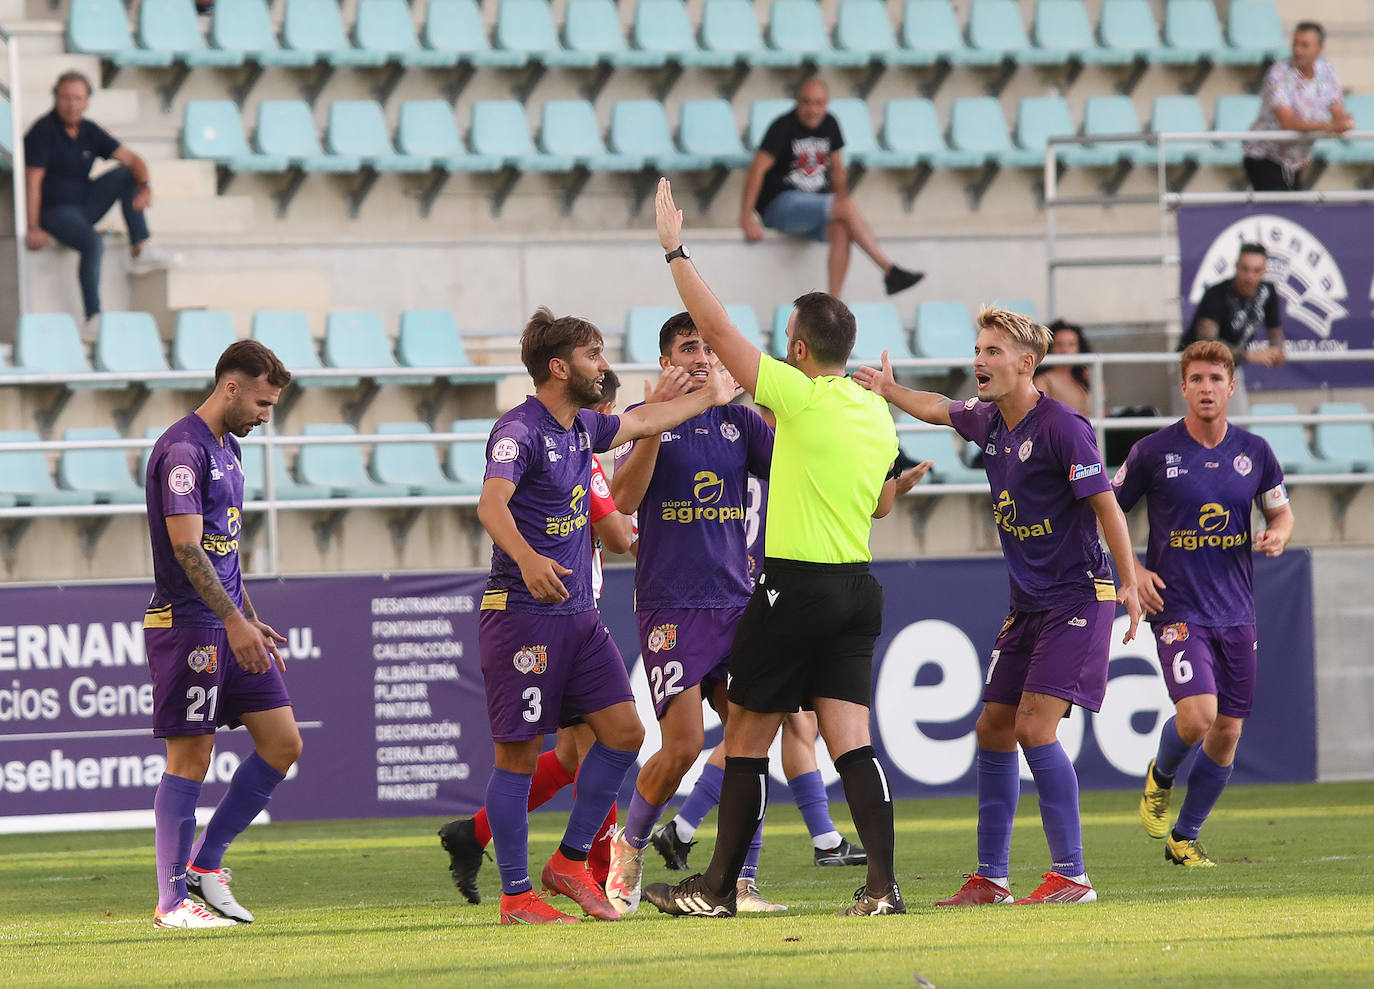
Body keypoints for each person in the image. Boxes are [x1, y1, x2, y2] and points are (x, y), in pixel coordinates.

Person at [644, 179, 905, 919]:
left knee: (749, 739)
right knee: (852, 739)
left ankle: (716, 889)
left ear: (797, 349)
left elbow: (717, 328)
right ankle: (882, 888)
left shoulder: (797, 394)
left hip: (794, 588)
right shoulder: (875, 412)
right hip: (859, 589)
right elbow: (884, 500)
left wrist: (675, 248)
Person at [853, 306, 1142, 907]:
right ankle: (992, 877)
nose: (978, 361)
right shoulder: (989, 422)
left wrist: (1131, 581)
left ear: (1025, 363)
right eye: (978, 349)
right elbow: (938, 407)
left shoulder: (1064, 426)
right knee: (992, 728)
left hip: (1078, 597)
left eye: (991, 352)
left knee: (1034, 728)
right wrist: (888, 390)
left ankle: (1073, 877)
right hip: (1030, 604)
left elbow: (1107, 508)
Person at [474, 306, 738, 924]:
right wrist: (528, 558)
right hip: (522, 612)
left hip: (580, 616)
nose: (605, 366)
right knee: (516, 757)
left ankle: (568, 862)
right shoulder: (519, 431)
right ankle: (516, 898)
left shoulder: (581, 430)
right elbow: (491, 505)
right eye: (594, 356)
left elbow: (648, 419)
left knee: (625, 734)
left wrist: (706, 398)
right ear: (559, 367)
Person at [601, 312, 782, 915]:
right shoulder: (643, 419)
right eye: (688, 348)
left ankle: (740, 881)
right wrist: (654, 423)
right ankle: (628, 850)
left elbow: (792, 469)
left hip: (737, 602)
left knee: (750, 742)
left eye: (708, 347)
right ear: (665, 362)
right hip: (671, 606)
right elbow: (620, 504)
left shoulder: (739, 420)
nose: (702, 357)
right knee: (680, 747)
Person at [437, 370, 635, 905]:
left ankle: (496, 839)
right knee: (555, 753)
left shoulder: (579, 440)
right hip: (538, 611)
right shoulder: (568, 451)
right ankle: (570, 874)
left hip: (579, 614)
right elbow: (619, 534)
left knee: (593, 747)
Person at [1113, 341, 1293, 867]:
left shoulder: (1255, 453)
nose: (1207, 388)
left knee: (1228, 731)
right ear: (1184, 387)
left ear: (1231, 386)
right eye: (1197, 379)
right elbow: (1107, 512)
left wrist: (1278, 534)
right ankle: (1160, 776)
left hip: (1237, 611)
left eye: (1216, 378)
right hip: (1177, 607)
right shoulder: (1152, 451)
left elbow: (1281, 514)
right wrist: (1134, 572)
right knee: (1197, 716)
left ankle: (1184, 838)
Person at [143, 340, 300, 929]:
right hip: (187, 626)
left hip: (229, 623)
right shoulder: (182, 449)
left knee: (283, 743)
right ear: (231, 386)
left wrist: (247, 615)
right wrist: (232, 620)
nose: (266, 415)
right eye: (261, 402)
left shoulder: (228, 451)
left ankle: (206, 868)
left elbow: (222, 550)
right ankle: (170, 902)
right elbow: (186, 547)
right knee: (191, 757)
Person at [740, 77, 923, 300]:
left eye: (818, 103)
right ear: (797, 102)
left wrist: (843, 210)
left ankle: (833, 301)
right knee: (844, 208)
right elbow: (756, 170)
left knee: (842, 229)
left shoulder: (830, 124)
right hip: (781, 206)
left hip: (815, 211)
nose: (812, 109)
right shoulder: (782, 126)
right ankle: (889, 269)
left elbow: (837, 170)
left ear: (826, 104)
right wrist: (746, 218)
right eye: (807, 102)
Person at [23, 71, 176, 325]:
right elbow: (32, 181)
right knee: (94, 243)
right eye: (66, 97)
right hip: (54, 211)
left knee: (128, 174)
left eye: (77, 98)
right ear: (55, 99)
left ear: (86, 102)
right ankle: (93, 317)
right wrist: (33, 227)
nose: (71, 104)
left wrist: (146, 187)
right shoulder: (43, 130)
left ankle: (140, 246)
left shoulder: (89, 130)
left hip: (85, 204)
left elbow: (134, 159)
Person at [1243, 21, 1353, 191]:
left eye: (1304, 45)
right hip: (1265, 155)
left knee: (1293, 210)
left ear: (1319, 48)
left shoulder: (1327, 71)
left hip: (1296, 159)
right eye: (1295, 44)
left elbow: (1336, 108)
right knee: (1281, 211)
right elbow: (1287, 122)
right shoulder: (1278, 74)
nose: (1297, 50)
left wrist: (1343, 121)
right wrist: (1329, 126)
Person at [1181, 243, 1285, 415]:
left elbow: (1275, 330)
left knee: (1236, 428)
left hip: (1229, 368)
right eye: (1245, 269)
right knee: (1193, 431)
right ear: (1236, 267)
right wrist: (1249, 356)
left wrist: (1277, 351)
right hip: (1193, 366)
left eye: (1256, 270)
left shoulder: (1268, 292)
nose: (1250, 277)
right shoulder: (1217, 294)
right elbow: (1207, 342)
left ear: (1264, 271)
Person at [1034, 321, 1094, 419]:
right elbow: (1039, 418)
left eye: (1071, 344)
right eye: (1059, 344)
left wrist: (1095, 385)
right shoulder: (1043, 381)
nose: (1065, 350)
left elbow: (1102, 412)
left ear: (1079, 348)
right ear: (1050, 348)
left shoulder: (1085, 379)